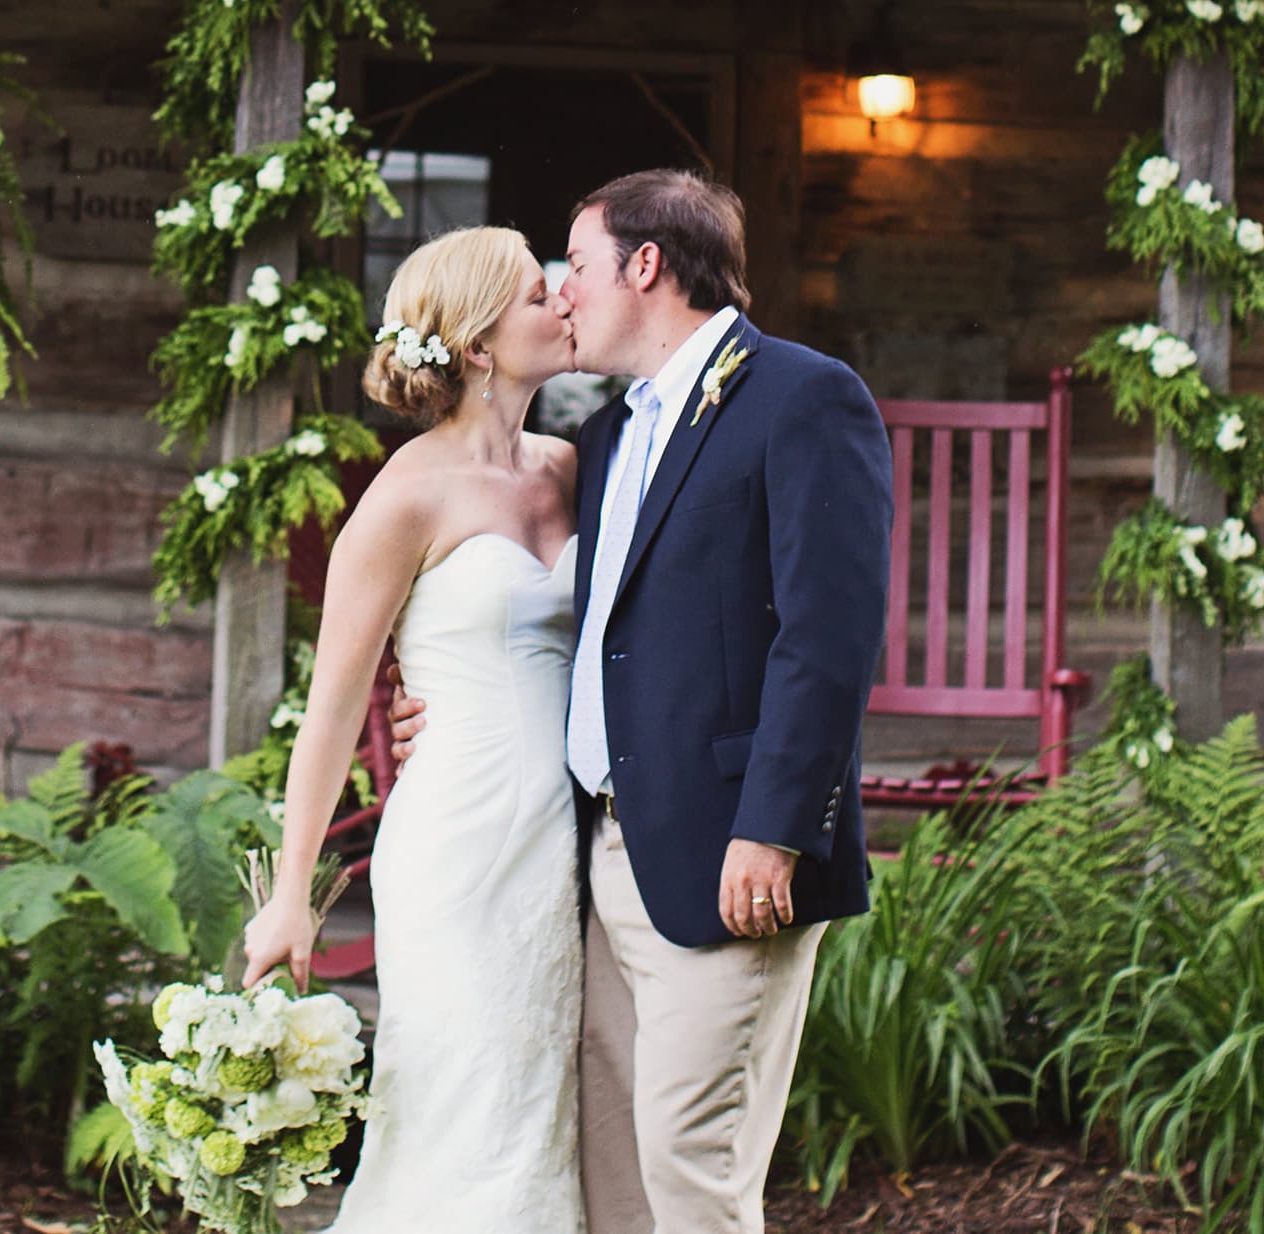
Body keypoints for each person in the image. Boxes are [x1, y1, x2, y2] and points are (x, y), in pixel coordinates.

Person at [392, 169, 894, 1234]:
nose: (563, 293)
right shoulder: (611, 436)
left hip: (729, 859)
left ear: (647, 266)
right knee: (613, 1171)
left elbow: (829, 638)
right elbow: (583, 632)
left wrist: (773, 828)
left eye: (574, 267)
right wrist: (429, 691)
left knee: (690, 1165)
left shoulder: (803, 396)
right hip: (602, 857)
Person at [239, 225, 589, 1232]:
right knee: (454, 1112)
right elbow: (334, 703)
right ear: (480, 343)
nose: (562, 303)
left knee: (537, 1115)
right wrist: (293, 896)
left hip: (562, 840)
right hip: (458, 843)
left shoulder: (573, 468)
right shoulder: (403, 497)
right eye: (537, 294)